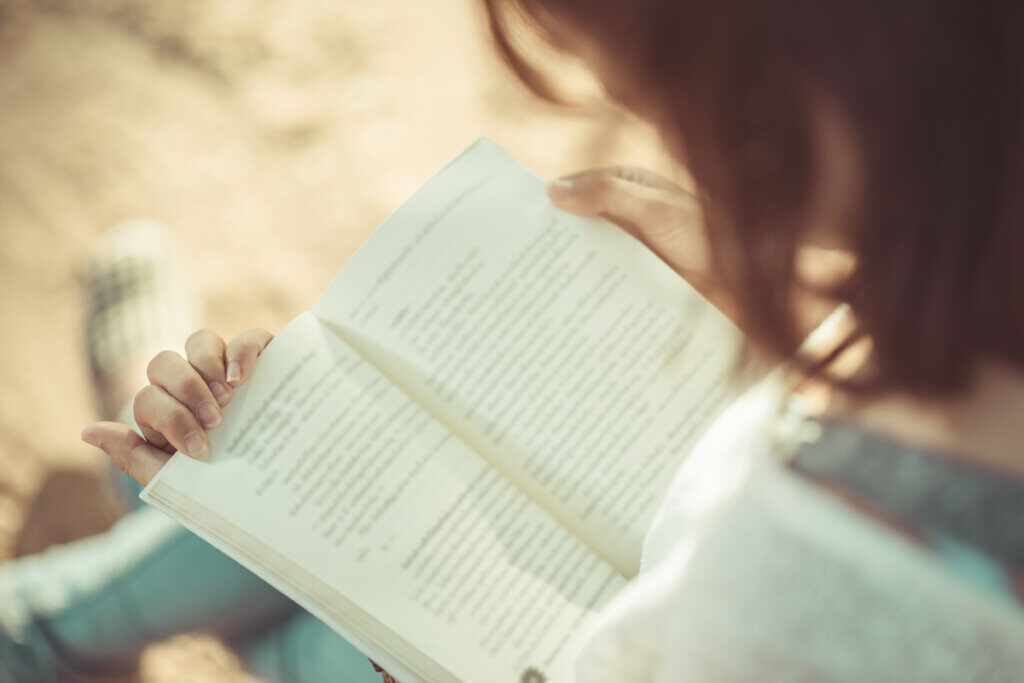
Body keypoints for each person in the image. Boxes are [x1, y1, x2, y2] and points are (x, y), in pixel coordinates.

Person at [4, 0, 1024, 680]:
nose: (679, 147)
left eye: (667, 109)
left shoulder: (808, 575)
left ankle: (63, 603)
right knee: (359, 444)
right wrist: (795, 300)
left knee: (315, 587)